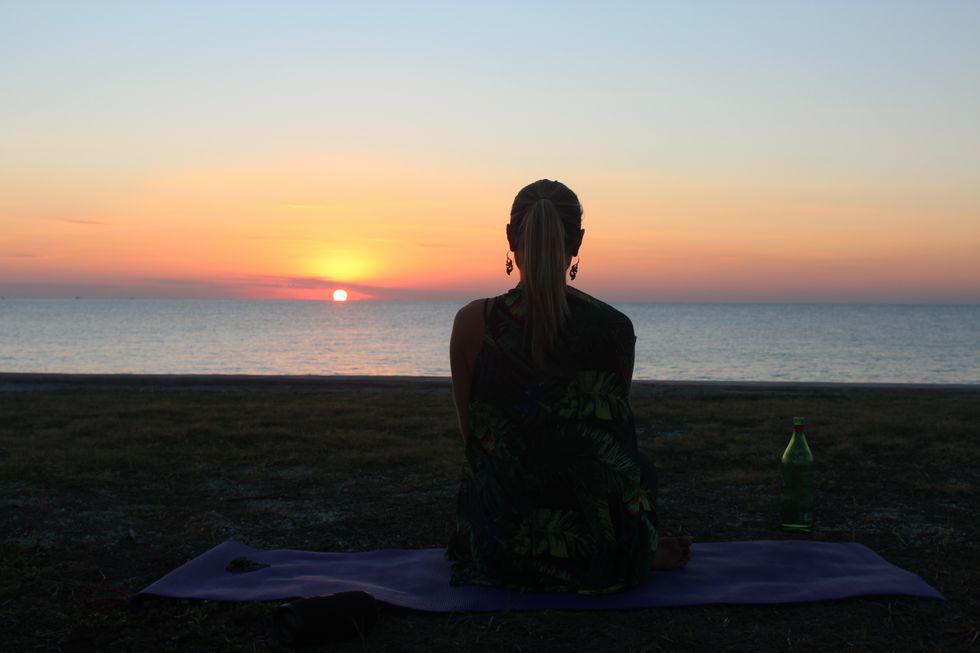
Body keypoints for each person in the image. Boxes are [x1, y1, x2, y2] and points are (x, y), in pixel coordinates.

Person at [446, 179, 690, 593]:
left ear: (510, 238)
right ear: (577, 243)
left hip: (498, 544)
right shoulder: (615, 329)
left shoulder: (473, 324)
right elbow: (609, 441)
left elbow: (473, 436)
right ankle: (643, 550)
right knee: (639, 466)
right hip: (595, 550)